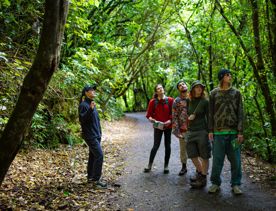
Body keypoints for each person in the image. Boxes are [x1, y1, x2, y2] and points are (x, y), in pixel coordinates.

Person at [208, 68, 244, 195]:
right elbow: (210, 113)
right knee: (217, 159)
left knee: (236, 159)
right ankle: (215, 183)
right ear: (222, 77)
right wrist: (210, 130)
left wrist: (240, 131)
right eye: (228, 75)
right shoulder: (213, 93)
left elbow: (240, 112)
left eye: (230, 75)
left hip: (233, 133)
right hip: (218, 133)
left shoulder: (236, 93)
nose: (230, 77)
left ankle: (236, 184)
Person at [78, 85, 107, 189]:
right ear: (86, 92)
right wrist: (90, 109)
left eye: (94, 90)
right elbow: (82, 120)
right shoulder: (83, 105)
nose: (94, 92)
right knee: (99, 155)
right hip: (90, 135)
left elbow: (96, 121)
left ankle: (90, 177)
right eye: (91, 90)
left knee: (93, 156)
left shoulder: (91, 104)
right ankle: (96, 180)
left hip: (96, 135)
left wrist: (99, 133)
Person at [144, 84, 174, 174]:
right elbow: (148, 115)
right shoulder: (153, 102)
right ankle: (149, 165)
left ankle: (166, 166)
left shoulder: (170, 100)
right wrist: (152, 120)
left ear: (163, 89)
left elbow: (174, 114)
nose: (160, 89)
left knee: (167, 146)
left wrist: (170, 120)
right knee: (155, 146)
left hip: (168, 126)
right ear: (156, 92)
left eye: (161, 88)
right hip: (158, 126)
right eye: (158, 89)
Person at [186, 80, 211, 188]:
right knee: (192, 154)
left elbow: (209, 117)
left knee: (204, 155)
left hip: (202, 131)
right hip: (191, 131)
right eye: (197, 87)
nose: (199, 89)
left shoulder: (205, 102)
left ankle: (203, 178)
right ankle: (201, 172)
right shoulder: (188, 101)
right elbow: (184, 114)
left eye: (201, 87)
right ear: (193, 90)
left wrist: (210, 131)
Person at [172, 81, 189, 176]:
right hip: (183, 129)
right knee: (183, 149)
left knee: (197, 149)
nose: (182, 86)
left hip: (195, 128)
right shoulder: (177, 101)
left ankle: (199, 169)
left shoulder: (193, 97)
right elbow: (174, 116)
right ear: (178, 89)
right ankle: (184, 167)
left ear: (187, 86)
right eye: (180, 85)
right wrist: (177, 131)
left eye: (183, 84)